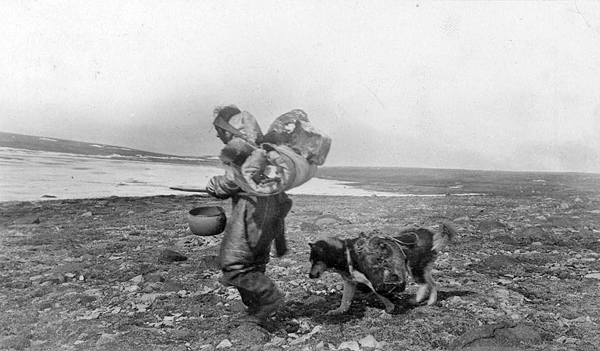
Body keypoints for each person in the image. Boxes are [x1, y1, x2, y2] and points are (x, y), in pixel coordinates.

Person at [205, 105, 293, 327]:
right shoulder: (265, 148)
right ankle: (259, 312)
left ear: (230, 129)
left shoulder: (240, 147)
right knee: (254, 263)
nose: (218, 135)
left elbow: (230, 181)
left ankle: (270, 298)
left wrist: (214, 185)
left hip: (251, 212)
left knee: (233, 265)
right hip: (271, 210)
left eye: (220, 130)